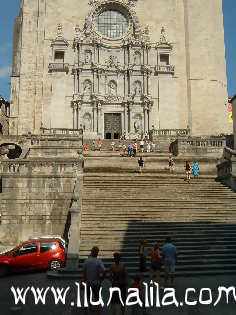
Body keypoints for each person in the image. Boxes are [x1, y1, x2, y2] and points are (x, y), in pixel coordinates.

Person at [83, 246, 106, 315]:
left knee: (87, 297)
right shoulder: (98, 261)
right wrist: (102, 278)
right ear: (97, 253)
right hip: (96, 282)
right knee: (97, 297)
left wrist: (85, 279)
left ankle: (86, 310)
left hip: (88, 282)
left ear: (91, 252)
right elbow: (104, 270)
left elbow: (84, 272)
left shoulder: (86, 261)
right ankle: (98, 312)